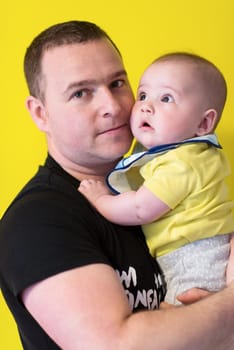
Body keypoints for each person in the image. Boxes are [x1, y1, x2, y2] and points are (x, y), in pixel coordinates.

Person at [0, 20, 234, 350]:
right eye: (81, 93)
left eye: (117, 82)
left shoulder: (157, 182)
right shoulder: (37, 221)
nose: (113, 107)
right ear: (41, 114)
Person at [79, 52, 234, 304]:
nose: (146, 106)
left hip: (194, 258)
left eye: (166, 98)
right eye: (142, 95)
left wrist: (100, 200)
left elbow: (141, 208)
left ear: (204, 123)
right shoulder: (193, 156)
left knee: (183, 317)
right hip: (201, 249)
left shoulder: (183, 163)